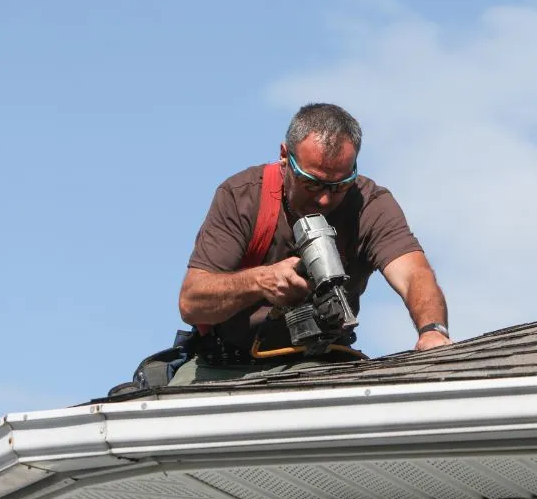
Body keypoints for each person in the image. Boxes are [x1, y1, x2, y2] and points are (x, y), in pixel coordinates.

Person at [171, 103, 450, 385]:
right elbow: (191, 302)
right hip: (226, 365)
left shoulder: (370, 205)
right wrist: (259, 281)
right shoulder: (242, 197)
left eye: (340, 185)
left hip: (321, 363)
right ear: (284, 156)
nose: (325, 199)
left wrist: (432, 330)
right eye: (312, 184)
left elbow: (414, 273)